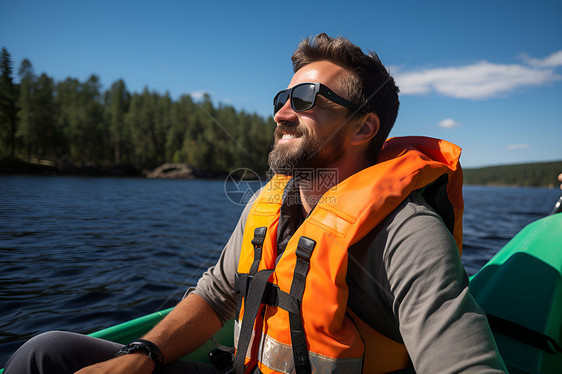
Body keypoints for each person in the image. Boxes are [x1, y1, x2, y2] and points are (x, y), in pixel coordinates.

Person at [5, 33, 508, 373]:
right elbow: (219, 294)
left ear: (364, 127)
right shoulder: (272, 205)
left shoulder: (410, 235)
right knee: (46, 353)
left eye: (308, 99)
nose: (283, 114)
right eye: (281, 99)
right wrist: (144, 354)